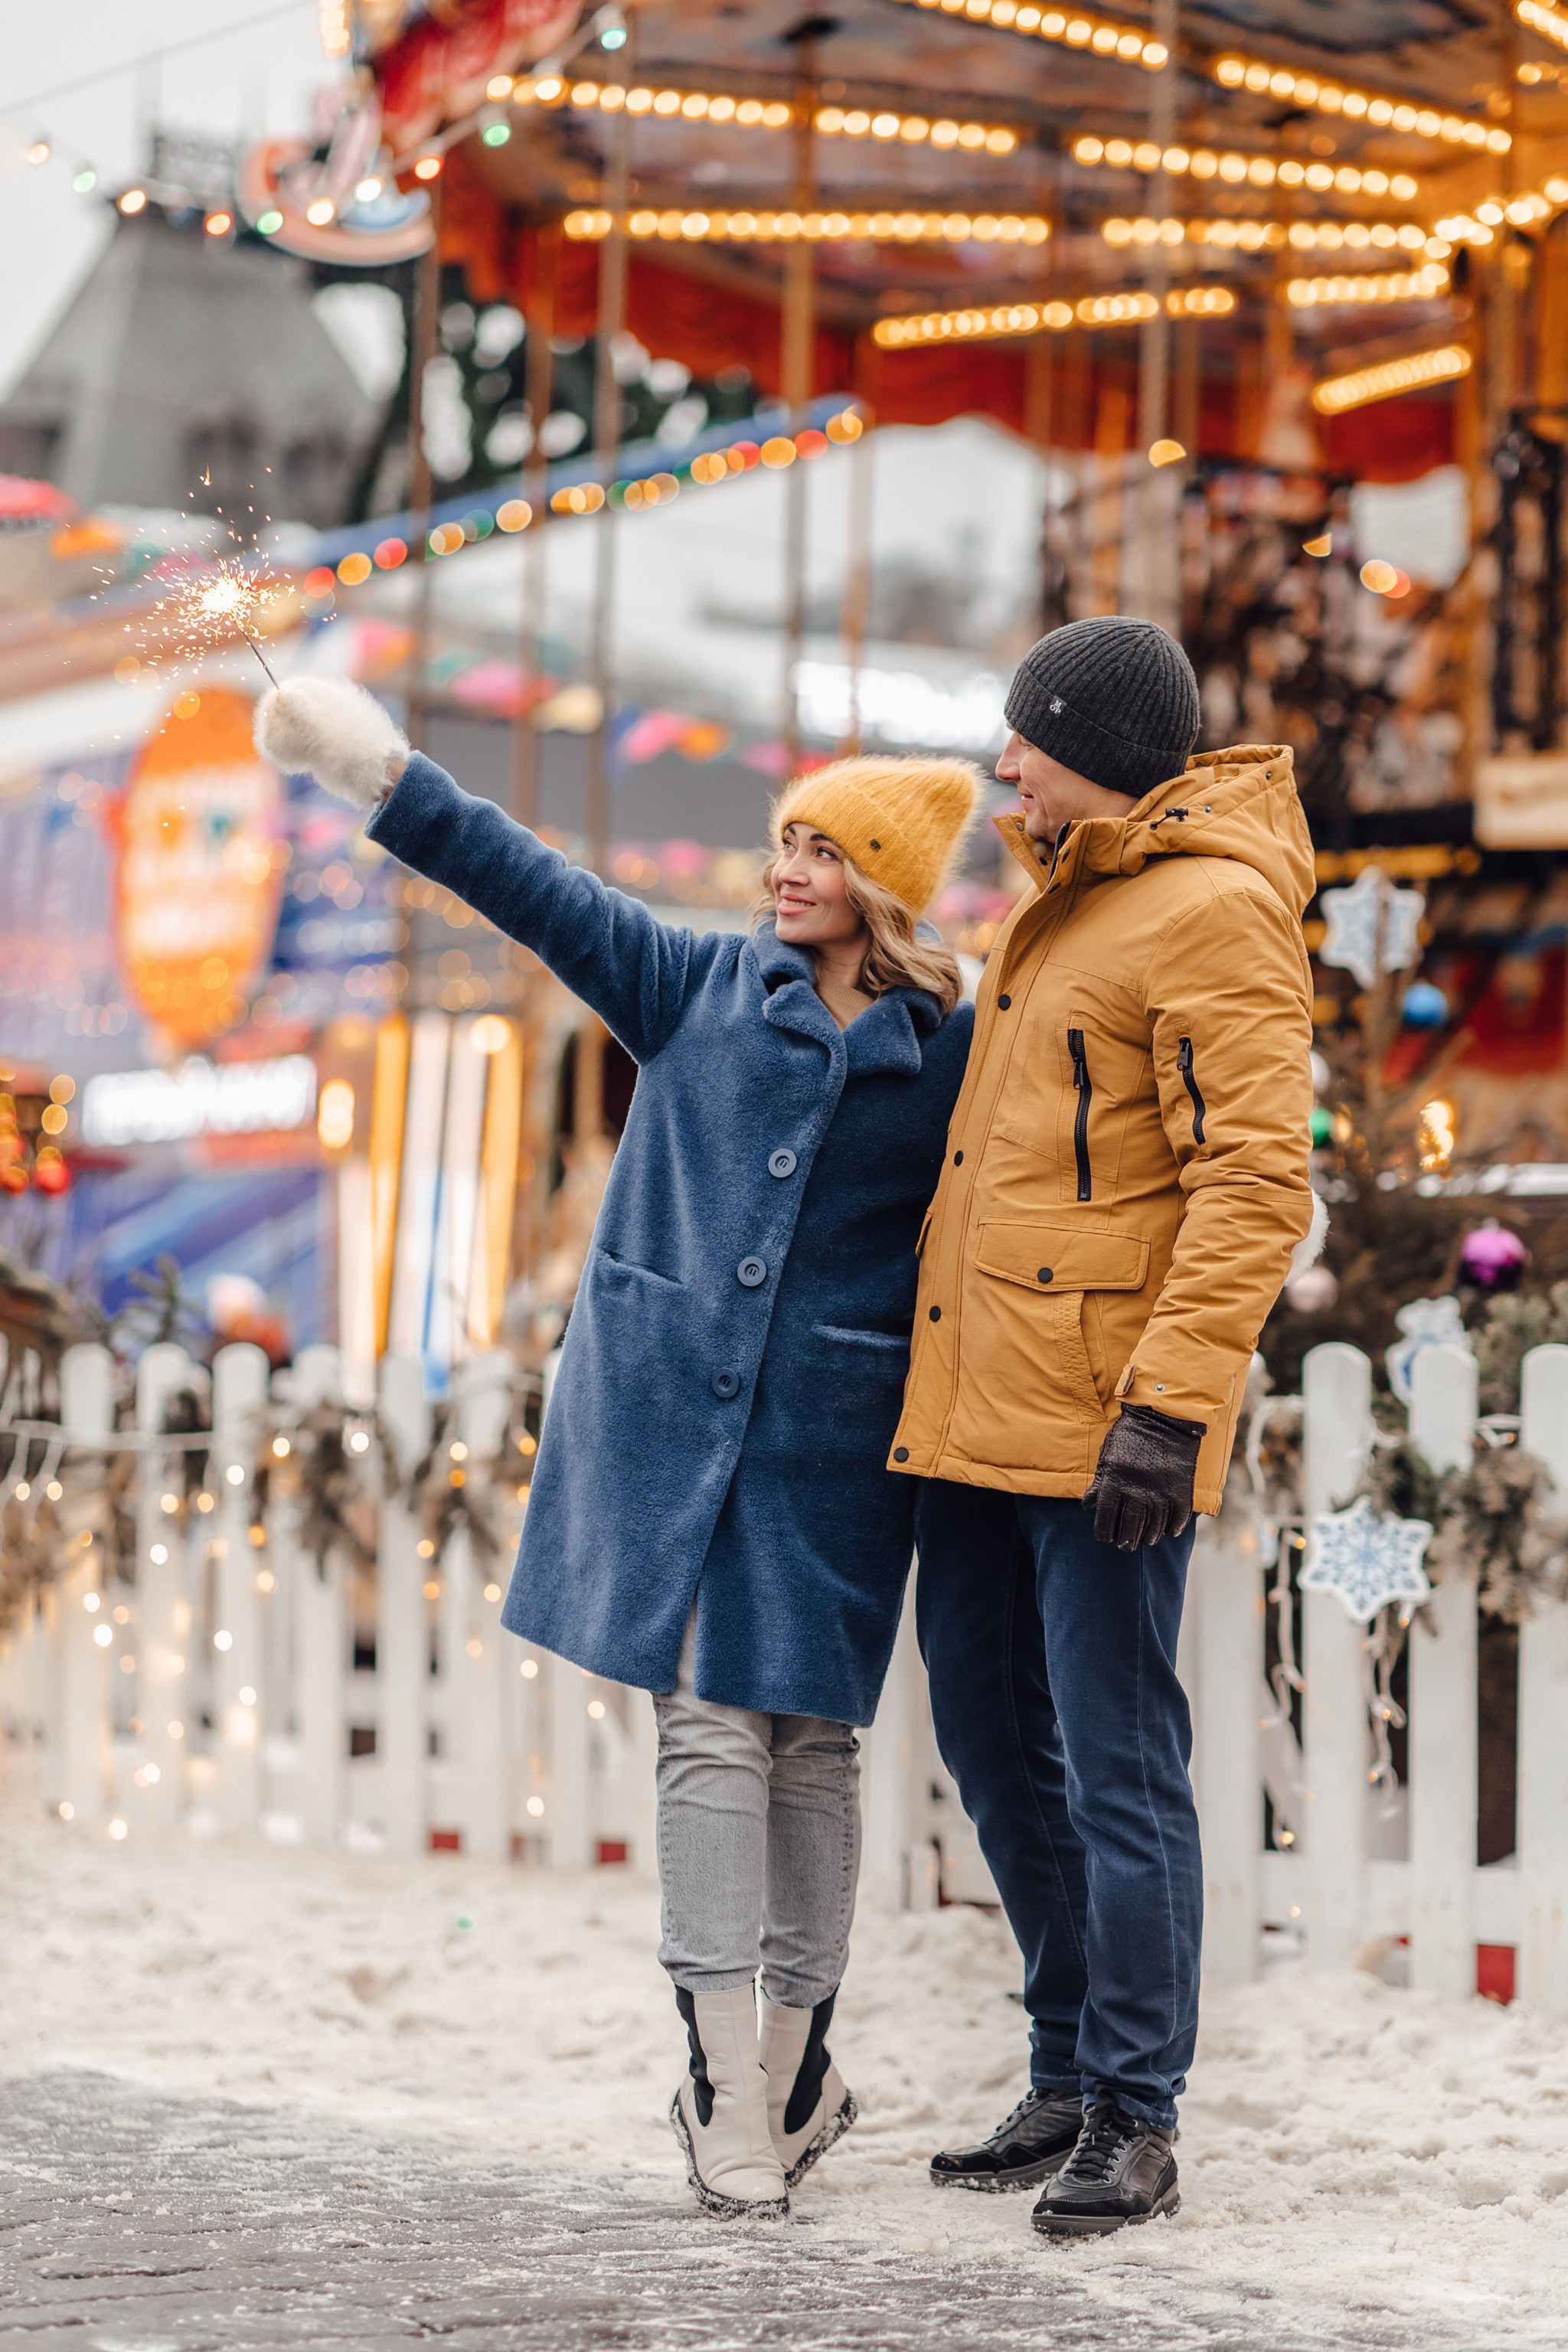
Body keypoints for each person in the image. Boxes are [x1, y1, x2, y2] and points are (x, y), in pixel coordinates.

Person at [255, 675, 978, 2221]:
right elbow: (530, 884)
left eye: (825, 850)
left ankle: (798, 2066)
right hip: (674, 1434)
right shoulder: (695, 981)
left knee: (814, 1746)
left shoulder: (953, 1052)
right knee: (710, 1729)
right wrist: (377, 771)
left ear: (885, 884)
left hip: (837, 1447)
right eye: (788, 840)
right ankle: (720, 2078)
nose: (787, 868)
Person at [887, 616, 1317, 2238]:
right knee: (995, 1748)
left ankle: (1138, 2108)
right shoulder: (1056, 904)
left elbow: (1254, 1180)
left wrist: (1168, 1405)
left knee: (1118, 1770)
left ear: (1097, 750)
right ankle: (1067, 2067)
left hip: (1104, 1420)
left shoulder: (1214, 909)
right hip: (978, 1409)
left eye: (1029, 737)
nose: (1005, 763)